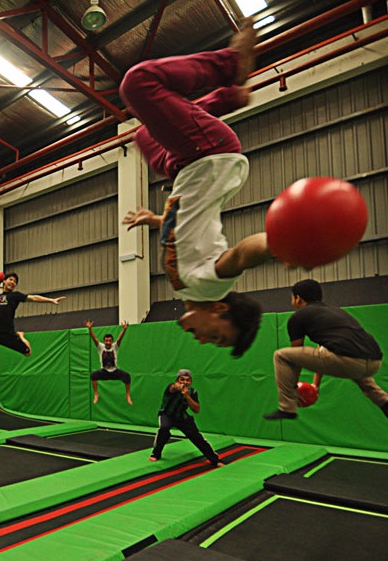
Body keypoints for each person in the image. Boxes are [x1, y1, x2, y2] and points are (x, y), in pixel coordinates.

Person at [119, 20, 270, 358]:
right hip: (211, 154)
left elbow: (185, 227)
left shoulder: (185, 284)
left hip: (185, 167)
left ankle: (226, 99)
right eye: (217, 337)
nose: (203, 340)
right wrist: (281, 242)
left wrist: (154, 220)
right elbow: (243, 254)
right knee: (139, 84)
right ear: (219, 311)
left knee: (143, 136)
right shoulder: (209, 286)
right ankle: (231, 67)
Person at [265, 279, 388, 421]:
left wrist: (293, 389)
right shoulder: (336, 312)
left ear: (298, 298)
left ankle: (286, 408)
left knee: (281, 355)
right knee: (349, 362)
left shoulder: (297, 318)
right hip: (374, 362)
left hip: (347, 360)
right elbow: (324, 350)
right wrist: (315, 385)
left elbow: (295, 360)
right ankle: (385, 401)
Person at [0, 273, 66, 366]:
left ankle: (21, 336)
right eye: (10, 279)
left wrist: (51, 300)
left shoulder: (15, 296)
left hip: (8, 334)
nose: (13, 282)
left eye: (15, 281)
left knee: (28, 353)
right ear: (4, 281)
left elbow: (33, 298)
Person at [149, 369, 223, 466]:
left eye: (187, 380)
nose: (185, 382)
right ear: (177, 380)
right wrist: (178, 387)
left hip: (182, 416)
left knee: (197, 438)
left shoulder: (192, 392)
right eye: (182, 379)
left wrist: (187, 396)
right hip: (167, 414)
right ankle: (156, 454)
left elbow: (196, 409)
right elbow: (173, 388)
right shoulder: (171, 387)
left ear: (191, 382)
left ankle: (215, 460)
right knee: (164, 428)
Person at [86, 320, 132, 405]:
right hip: (104, 372)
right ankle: (96, 394)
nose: (108, 342)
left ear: (112, 341)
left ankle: (128, 395)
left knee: (127, 376)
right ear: (104, 341)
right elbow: (94, 339)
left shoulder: (115, 346)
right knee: (93, 375)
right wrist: (90, 329)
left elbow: (119, 339)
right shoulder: (101, 347)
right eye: (106, 341)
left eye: (109, 341)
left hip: (115, 371)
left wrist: (124, 329)